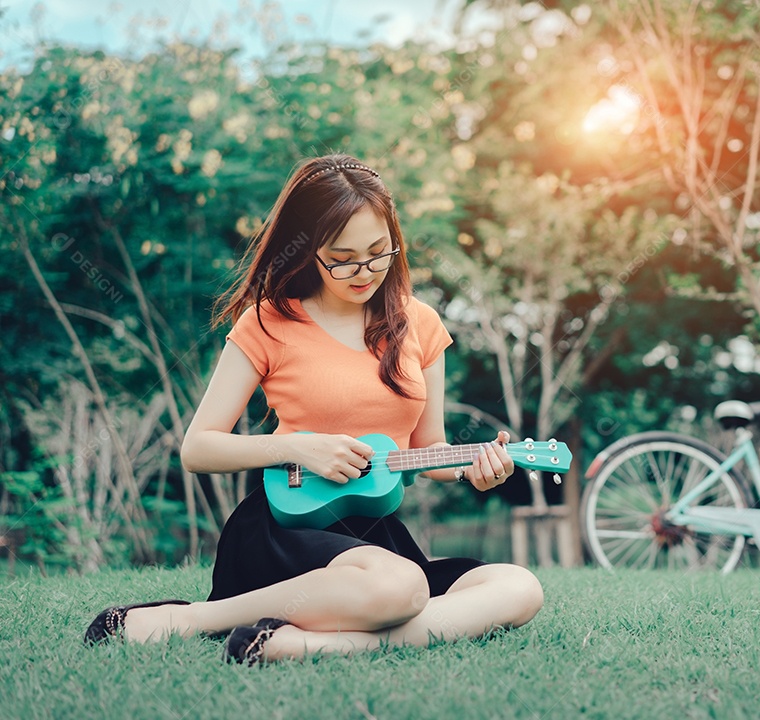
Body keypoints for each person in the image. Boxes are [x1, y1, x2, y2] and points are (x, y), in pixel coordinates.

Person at [83, 154, 544, 664]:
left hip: (374, 535)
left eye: (378, 252)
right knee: (401, 588)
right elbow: (198, 448)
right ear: (306, 249)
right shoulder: (267, 324)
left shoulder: (420, 323)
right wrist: (298, 445)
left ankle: (299, 645)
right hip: (283, 530)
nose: (363, 271)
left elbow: (428, 450)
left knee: (518, 587)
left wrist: (472, 471)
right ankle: (188, 618)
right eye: (341, 257)